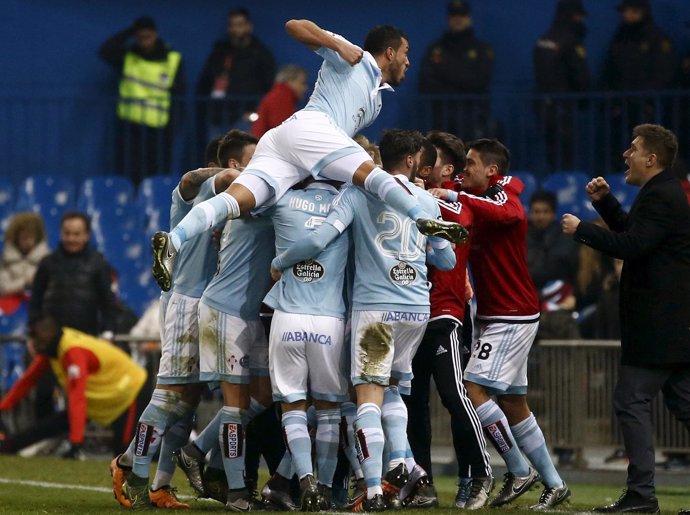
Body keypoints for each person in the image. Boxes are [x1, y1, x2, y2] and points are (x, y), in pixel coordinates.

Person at [151, 19, 468, 293]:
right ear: (389, 53)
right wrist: (337, 45)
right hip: (311, 127)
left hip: (285, 144)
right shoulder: (353, 56)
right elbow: (294, 26)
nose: (408, 61)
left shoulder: (377, 104)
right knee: (373, 176)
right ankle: (422, 218)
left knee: (236, 201)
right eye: (405, 53)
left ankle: (174, 241)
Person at [271, 129, 457, 511]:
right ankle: (400, 462)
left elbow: (320, 239)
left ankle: (373, 489)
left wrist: (280, 262)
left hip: (375, 308)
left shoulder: (356, 194)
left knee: (367, 395)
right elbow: (447, 260)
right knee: (394, 389)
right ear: (409, 161)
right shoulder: (425, 200)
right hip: (416, 308)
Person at [431, 139, 570, 510]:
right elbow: (452, 191)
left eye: (472, 164)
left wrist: (455, 195)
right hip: (494, 312)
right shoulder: (471, 192)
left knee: (473, 391)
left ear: (492, 170)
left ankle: (518, 468)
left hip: (512, 312)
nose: (464, 171)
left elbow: (512, 214)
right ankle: (555, 484)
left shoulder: (505, 197)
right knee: (512, 401)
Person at [561, 124, 690, 513]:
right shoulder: (661, 192)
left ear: (651, 159)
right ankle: (641, 494)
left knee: (630, 401)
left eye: (633, 149)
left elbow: (633, 245)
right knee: (684, 405)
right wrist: (606, 204)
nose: (625, 155)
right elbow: (639, 236)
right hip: (671, 326)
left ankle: (641, 495)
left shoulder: (662, 196)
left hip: (659, 328)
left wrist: (583, 229)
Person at [111, 140, 243, 510]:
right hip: (184, 301)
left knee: (188, 400)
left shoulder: (238, 205)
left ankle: (160, 484)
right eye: (245, 165)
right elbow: (189, 177)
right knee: (170, 394)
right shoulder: (196, 194)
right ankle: (130, 466)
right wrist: (226, 174)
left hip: (210, 305)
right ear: (229, 163)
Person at [402, 130, 493, 510]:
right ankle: (423, 484)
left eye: (431, 158)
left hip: (446, 315)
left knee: (456, 396)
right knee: (414, 405)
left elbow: (462, 215)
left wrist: (423, 195)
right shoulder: (416, 195)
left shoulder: (459, 203)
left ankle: (479, 474)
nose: (423, 162)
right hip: (411, 313)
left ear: (448, 169)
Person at [259, 176, 350, 511]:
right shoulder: (349, 202)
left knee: (292, 407)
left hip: (288, 318)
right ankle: (323, 489)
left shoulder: (282, 200)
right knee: (328, 411)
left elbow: (246, 211)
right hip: (329, 319)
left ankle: (305, 480)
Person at [0, 314, 147, 458]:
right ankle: (9, 445)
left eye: (34, 337)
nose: (31, 343)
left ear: (47, 335)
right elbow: (28, 380)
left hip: (129, 392)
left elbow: (77, 398)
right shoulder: (54, 348)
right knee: (53, 424)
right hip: (106, 396)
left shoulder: (73, 352)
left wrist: (76, 442)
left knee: (124, 455)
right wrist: (3, 406)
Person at [99, 16, 185, 183]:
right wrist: (130, 31)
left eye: (148, 36)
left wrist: (174, 125)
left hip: (159, 129)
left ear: (156, 34)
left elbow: (179, 93)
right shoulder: (128, 56)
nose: (144, 41)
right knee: (130, 175)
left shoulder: (172, 58)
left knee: (157, 175)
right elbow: (105, 50)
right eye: (140, 37)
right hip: (130, 127)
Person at [601, 0, 676, 170]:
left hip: (647, 107)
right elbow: (609, 69)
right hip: (622, 107)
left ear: (640, 12)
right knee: (620, 149)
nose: (625, 15)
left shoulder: (656, 38)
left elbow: (664, 72)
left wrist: (646, 97)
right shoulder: (620, 37)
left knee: (647, 148)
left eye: (629, 10)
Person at [29, 211, 116, 338]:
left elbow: (108, 304)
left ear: (87, 235)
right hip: (51, 340)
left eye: (76, 234)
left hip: (86, 338)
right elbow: (35, 302)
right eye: (67, 233)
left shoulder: (99, 264)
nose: (71, 239)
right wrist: (34, 332)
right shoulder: (47, 263)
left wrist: (108, 333)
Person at [418, 0, 496, 140]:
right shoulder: (436, 49)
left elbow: (481, 80)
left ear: (469, 18)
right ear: (448, 19)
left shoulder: (482, 49)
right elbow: (425, 83)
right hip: (442, 116)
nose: (458, 19)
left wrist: (445, 77)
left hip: (472, 114)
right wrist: (461, 80)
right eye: (454, 15)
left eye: (462, 15)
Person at [197, 7, 276, 135]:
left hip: (244, 118)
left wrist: (254, 111)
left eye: (239, 25)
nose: (235, 30)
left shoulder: (261, 54)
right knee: (216, 154)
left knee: (243, 154)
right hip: (217, 117)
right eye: (232, 25)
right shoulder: (219, 52)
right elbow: (205, 81)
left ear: (249, 27)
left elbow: (269, 85)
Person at [533, 0, 590, 170]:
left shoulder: (543, 38)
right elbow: (580, 74)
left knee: (550, 153)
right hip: (564, 106)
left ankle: (553, 187)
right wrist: (584, 99)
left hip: (544, 104)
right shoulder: (571, 41)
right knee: (566, 154)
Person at [526, 190, 580, 339]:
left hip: (557, 302)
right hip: (526, 299)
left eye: (545, 212)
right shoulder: (521, 236)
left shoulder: (565, 236)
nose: (540, 216)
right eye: (536, 212)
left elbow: (555, 269)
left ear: (554, 214)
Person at [251, 64, 309, 138]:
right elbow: (283, 131)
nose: (305, 88)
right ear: (290, 81)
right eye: (303, 83)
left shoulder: (280, 94)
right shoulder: (281, 97)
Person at [0, 212, 50, 297]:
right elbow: (3, 288)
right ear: (16, 238)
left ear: (37, 238)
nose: (28, 242)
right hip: (11, 308)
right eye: (24, 237)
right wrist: (25, 283)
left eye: (31, 237)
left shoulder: (48, 260)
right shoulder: (6, 261)